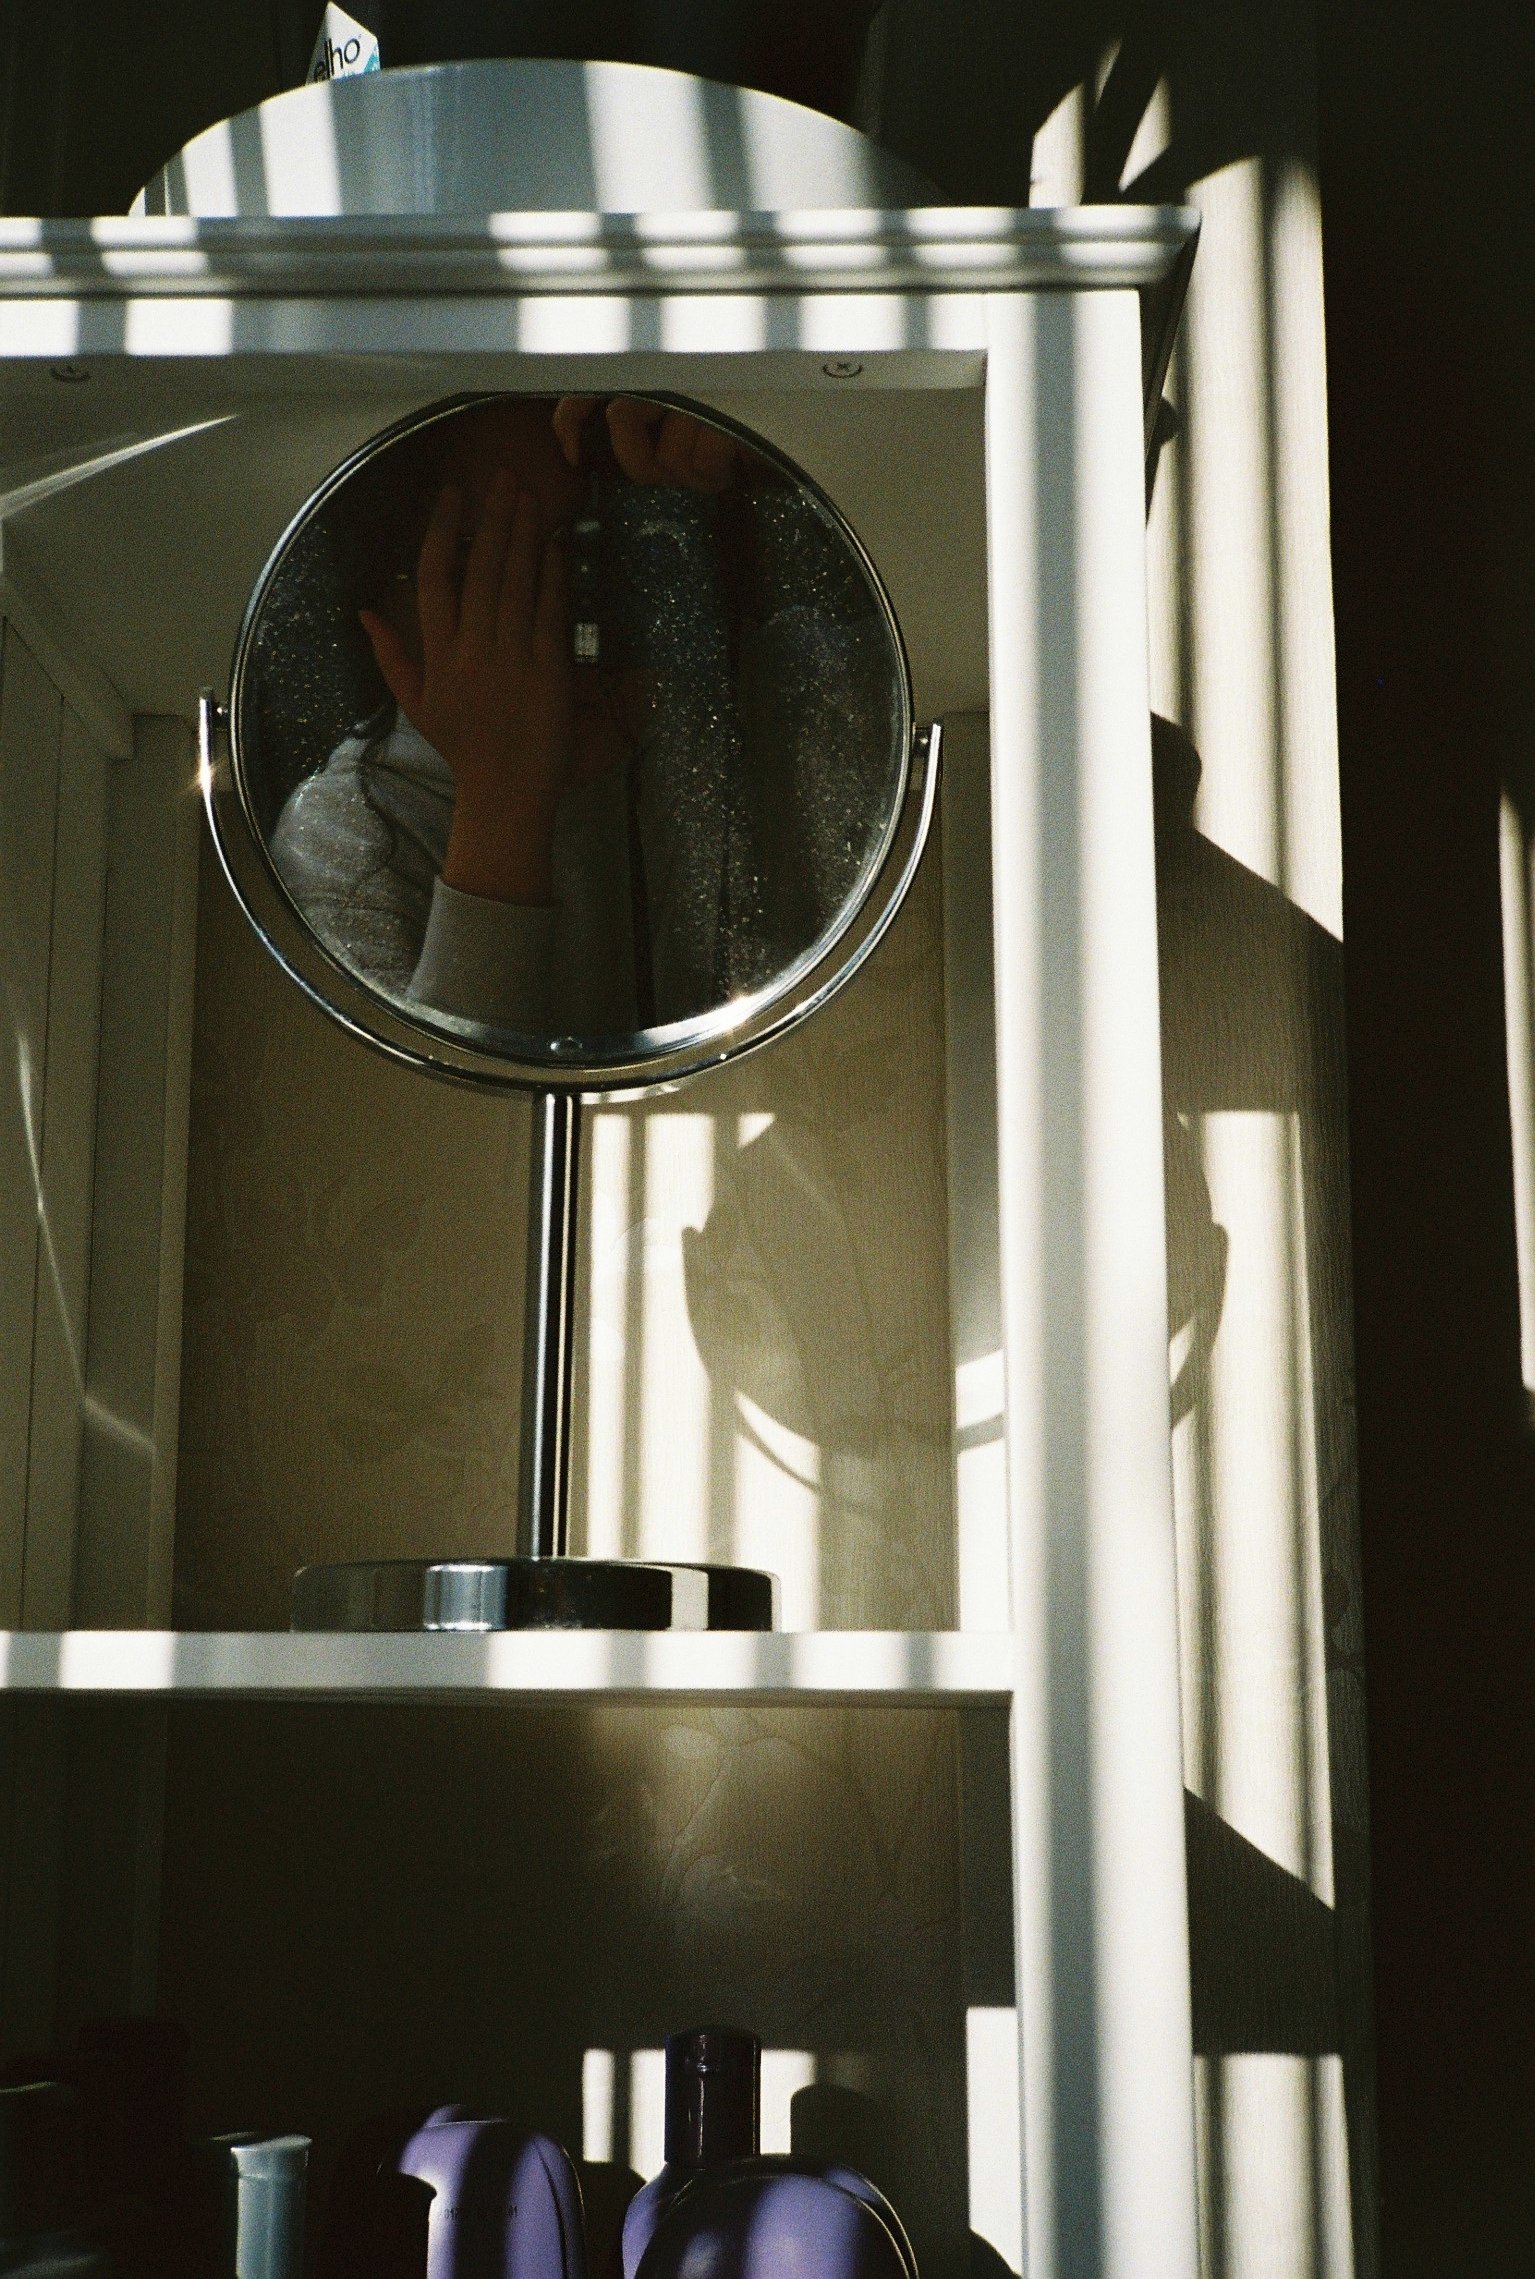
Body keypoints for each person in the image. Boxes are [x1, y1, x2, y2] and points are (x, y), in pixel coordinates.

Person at [267, 392, 900, 1035]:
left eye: (600, 558)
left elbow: (970, 651)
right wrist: (503, 796)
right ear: (387, 621)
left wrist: (783, 445)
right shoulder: (350, 837)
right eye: (502, 573)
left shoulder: (757, 704)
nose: (573, 625)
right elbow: (436, 1125)